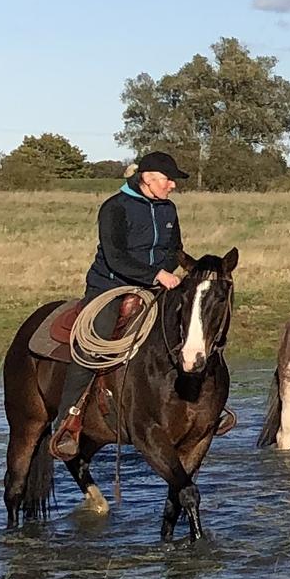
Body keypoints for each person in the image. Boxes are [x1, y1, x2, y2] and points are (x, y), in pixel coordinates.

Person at [54, 150, 189, 459]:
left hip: (157, 285)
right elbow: (116, 257)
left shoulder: (168, 209)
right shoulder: (114, 208)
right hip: (111, 286)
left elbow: (175, 248)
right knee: (95, 342)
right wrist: (156, 274)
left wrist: (171, 273)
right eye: (170, 180)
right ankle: (68, 419)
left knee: (191, 325)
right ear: (150, 178)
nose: (173, 186)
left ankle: (200, 405)